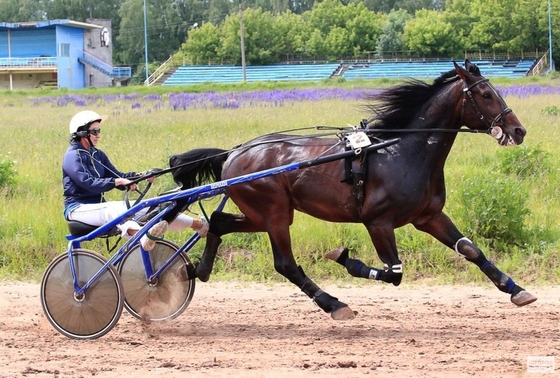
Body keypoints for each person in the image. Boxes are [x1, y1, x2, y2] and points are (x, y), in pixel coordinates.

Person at [61, 110, 208, 250]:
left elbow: (118, 175)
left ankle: (199, 225)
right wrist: (117, 182)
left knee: (150, 207)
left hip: (98, 207)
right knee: (113, 210)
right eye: (94, 131)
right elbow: (88, 183)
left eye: (99, 131)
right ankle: (143, 237)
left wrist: (142, 175)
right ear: (81, 132)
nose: (98, 135)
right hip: (77, 208)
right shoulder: (72, 156)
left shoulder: (97, 154)